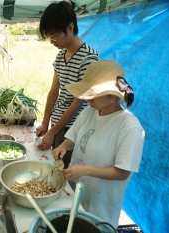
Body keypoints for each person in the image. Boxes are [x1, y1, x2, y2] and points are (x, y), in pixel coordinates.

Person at [52, 60, 145, 227]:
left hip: (100, 207)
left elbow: (122, 172)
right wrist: (63, 147)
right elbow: (72, 138)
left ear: (113, 95)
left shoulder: (129, 126)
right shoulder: (89, 112)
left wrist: (84, 170)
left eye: (93, 93)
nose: (88, 98)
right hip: (76, 194)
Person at [36, 1, 100, 169]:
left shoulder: (88, 59)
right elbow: (53, 92)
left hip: (73, 130)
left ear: (70, 27)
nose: (52, 41)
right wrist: (45, 123)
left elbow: (77, 104)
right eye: (49, 37)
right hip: (57, 126)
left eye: (54, 35)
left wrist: (52, 131)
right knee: (54, 170)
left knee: (65, 175)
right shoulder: (61, 56)